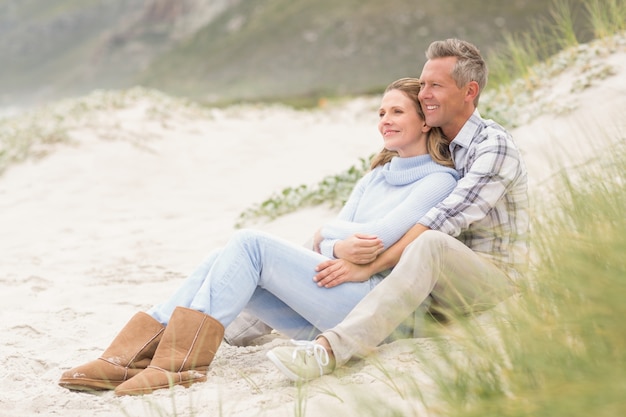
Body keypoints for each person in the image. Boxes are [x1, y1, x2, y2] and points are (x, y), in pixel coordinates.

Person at [58, 77, 459, 396]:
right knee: (223, 258)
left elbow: (377, 237)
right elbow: (332, 243)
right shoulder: (375, 178)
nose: (384, 120)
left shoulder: (438, 180)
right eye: (381, 111)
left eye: (396, 112)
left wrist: (328, 234)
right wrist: (333, 242)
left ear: (425, 120)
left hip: (373, 314)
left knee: (249, 244)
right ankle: (127, 356)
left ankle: (180, 364)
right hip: (330, 301)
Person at [266, 38, 530, 382]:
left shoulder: (492, 145)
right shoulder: (439, 146)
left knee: (431, 241)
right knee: (276, 255)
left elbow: (442, 221)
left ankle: (330, 351)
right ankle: (235, 324)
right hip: (431, 289)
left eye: (436, 85)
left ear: (470, 91)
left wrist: (369, 265)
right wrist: (332, 245)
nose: (424, 94)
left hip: (491, 283)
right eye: (423, 85)